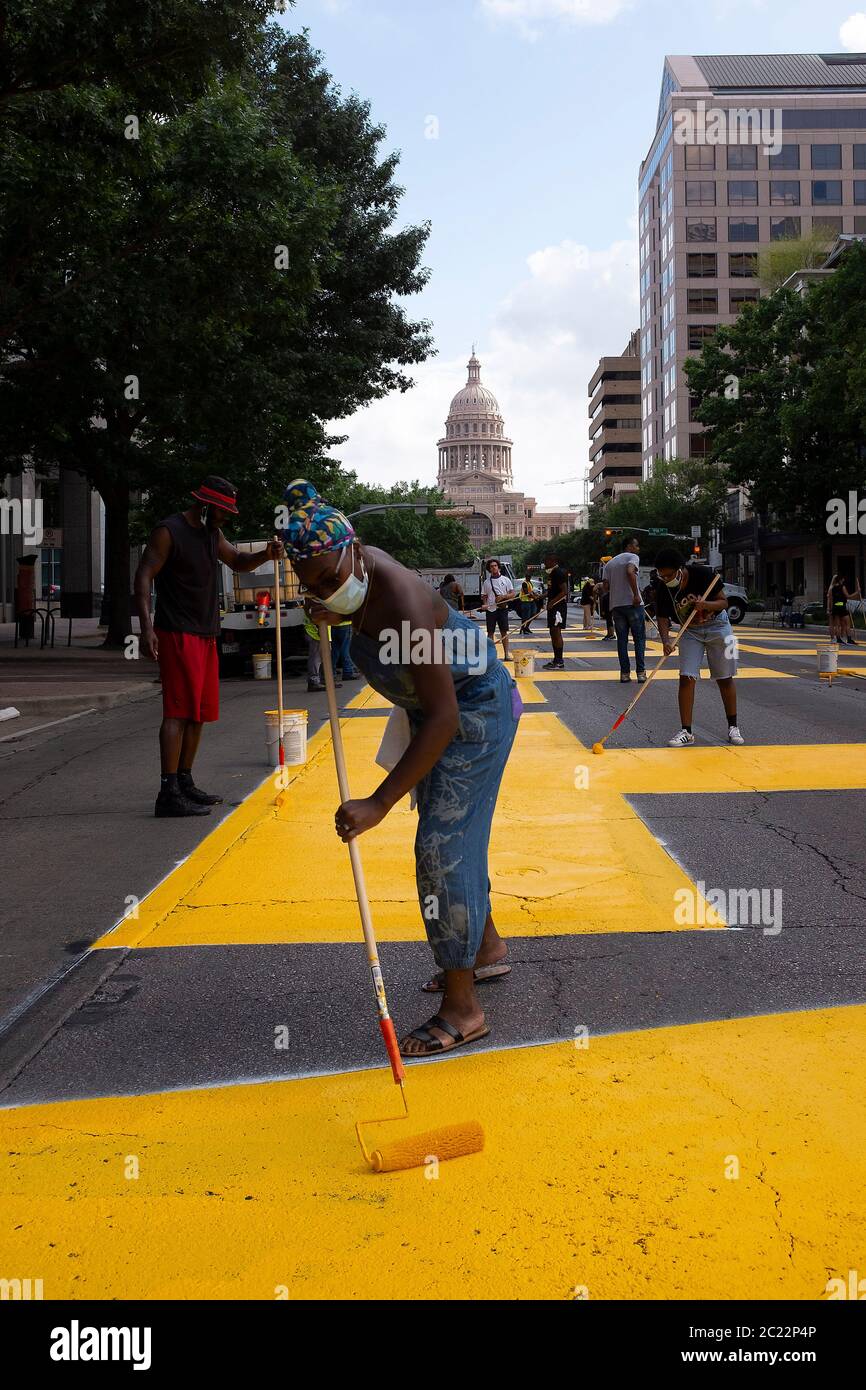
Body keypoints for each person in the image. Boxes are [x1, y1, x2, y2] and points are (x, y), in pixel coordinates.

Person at [283, 480, 521, 1059]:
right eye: (309, 586)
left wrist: (378, 802)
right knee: (456, 840)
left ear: (355, 552)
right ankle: (484, 949)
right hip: (428, 710)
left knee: (443, 848)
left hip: (470, 713)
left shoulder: (405, 602)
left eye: (329, 580)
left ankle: (463, 1008)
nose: (322, 593)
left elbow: (442, 717)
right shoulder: (336, 565)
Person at [134, 475, 284, 817]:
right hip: (176, 631)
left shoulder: (211, 534)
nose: (227, 517)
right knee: (177, 711)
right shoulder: (168, 531)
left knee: (199, 713)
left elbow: (237, 561)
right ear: (205, 506)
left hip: (205, 631)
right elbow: (143, 575)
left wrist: (265, 553)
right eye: (223, 511)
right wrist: (146, 628)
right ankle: (167, 791)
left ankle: (184, 781)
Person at [652, 548, 744, 747]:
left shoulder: (702, 574)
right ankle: (686, 731)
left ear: (680, 569)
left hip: (719, 626)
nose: (665, 578)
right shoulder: (663, 588)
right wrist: (665, 641)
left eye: (669, 574)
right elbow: (662, 618)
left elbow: (723, 602)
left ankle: (733, 727)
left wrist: (706, 605)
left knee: (725, 677)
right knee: (686, 677)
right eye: (662, 575)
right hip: (690, 631)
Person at [602, 536, 646, 683]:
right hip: (633, 604)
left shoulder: (609, 564)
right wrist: (635, 594)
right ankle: (640, 672)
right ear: (629, 546)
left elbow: (605, 587)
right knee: (639, 639)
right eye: (636, 545)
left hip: (616, 606)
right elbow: (629, 571)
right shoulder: (633, 557)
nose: (638, 548)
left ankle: (625, 673)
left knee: (622, 640)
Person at [481, 558, 515, 662]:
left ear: (498, 567)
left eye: (495, 565)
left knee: (504, 632)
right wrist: (485, 604)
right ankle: (492, 657)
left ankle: (506, 655)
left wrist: (504, 596)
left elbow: (513, 594)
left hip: (503, 609)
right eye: (491, 566)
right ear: (489, 569)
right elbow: (484, 596)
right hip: (491, 610)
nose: (494, 567)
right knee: (490, 633)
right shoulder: (486, 582)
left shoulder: (506, 580)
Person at [542, 551, 569, 670]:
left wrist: (552, 602)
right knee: (553, 632)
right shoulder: (552, 573)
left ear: (553, 561)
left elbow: (564, 591)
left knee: (556, 632)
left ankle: (559, 661)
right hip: (553, 607)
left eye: (546, 561)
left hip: (558, 607)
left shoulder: (558, 572)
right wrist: (542, 596)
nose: (544, 563)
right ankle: (556, 659)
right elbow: (552, 590)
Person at [827, 573, 851, 645]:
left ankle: (838, 638)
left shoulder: (832, 587)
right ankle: (835, 638)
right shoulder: (833, 587)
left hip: (835, 606)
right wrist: (829, 608)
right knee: (834, 623)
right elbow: (830, 598)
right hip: (835, 606)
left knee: (838, 623)